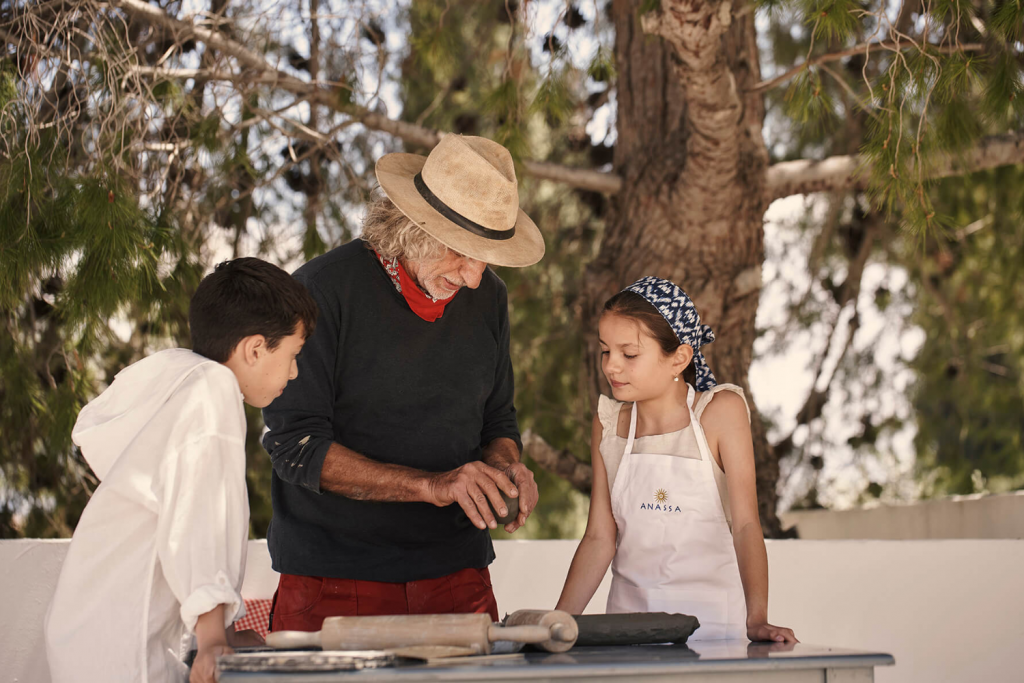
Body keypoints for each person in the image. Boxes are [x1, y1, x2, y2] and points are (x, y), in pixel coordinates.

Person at [261, 134, 544, 630]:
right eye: (461, 252)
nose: (474, 278)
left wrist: (505, 469)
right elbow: (296, 445)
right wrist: (431, 485)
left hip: (459, 573)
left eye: (486, 256)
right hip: (334, 578)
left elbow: (498, 420)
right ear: (411, 225)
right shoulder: (320, 290)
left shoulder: (488, 297)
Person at [44, 258, 319, 683]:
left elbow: (177, 519)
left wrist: (225, 633)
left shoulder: (176, 380)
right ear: (255, 348)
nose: (295, 372)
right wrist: (213, 640)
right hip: (124, 655)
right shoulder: (212, 389)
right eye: (292, 354)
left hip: (88, 640)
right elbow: (199, 510)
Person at [555, 276, 797, 643]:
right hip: (626, 633)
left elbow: (747, 524)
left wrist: (757, 618)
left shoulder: (720, 414)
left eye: (629, 354)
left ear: (679, 358)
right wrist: (557, 623)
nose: (611, 366)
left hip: (714, 634)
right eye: (606, 351)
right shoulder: (609, 425)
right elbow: (599, 538)